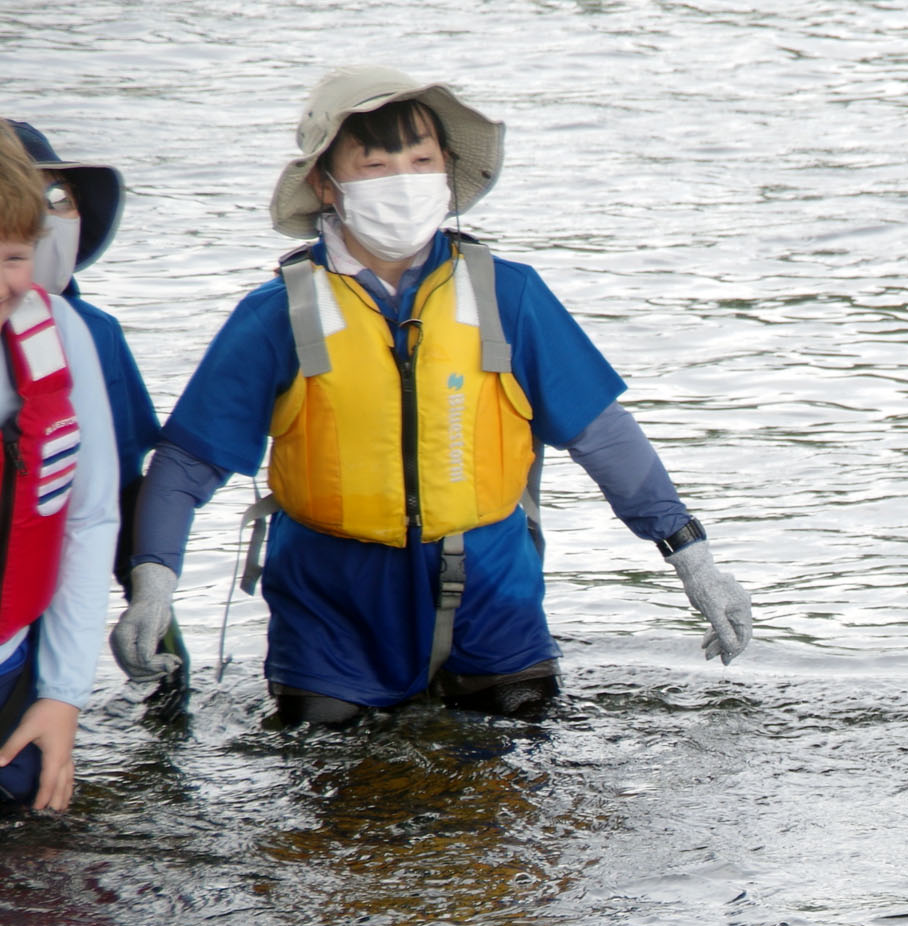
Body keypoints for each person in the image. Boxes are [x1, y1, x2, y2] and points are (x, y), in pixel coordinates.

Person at [109, 68, 754, 726]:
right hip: (333, 607)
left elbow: (604, 436)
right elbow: (189, 460)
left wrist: (695, 564)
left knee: (517, 780)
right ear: (327, 184)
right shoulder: (277, 314)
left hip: (492, 592)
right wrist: (152, 584)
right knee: (329, 789)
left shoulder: (510, 295)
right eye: (377, 163)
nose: (403, 180)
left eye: (420, 161)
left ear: (447, 175)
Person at [0, 124, 120, 812]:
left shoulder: (63, 334)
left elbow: (91, 513)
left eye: (16, 257)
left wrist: (62, 694)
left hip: (12, 672)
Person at [7, 121, 159, 602]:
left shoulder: (96, 333)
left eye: (60, 198)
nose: (48, 215)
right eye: (30, 197)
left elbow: (124, 486)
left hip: (58, 584)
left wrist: (150, 601)